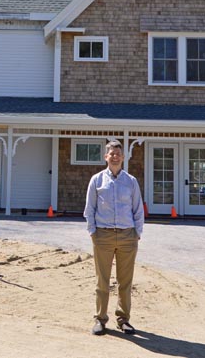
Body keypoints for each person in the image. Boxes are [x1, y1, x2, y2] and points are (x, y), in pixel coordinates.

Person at [83, 140, 144, 336]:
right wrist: (93, 232)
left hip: (127, 236)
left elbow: (138, 209)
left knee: (125, 282)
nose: (115, 156)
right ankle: (100, 320)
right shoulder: (97, 180)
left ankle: (123, 319)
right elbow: (89, 209)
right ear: (106, 157)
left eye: (118, 153)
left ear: (123, 157)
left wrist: (137, 233)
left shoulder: (131, 181)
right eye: (112, 153)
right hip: (103, 235)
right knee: (102, 281)